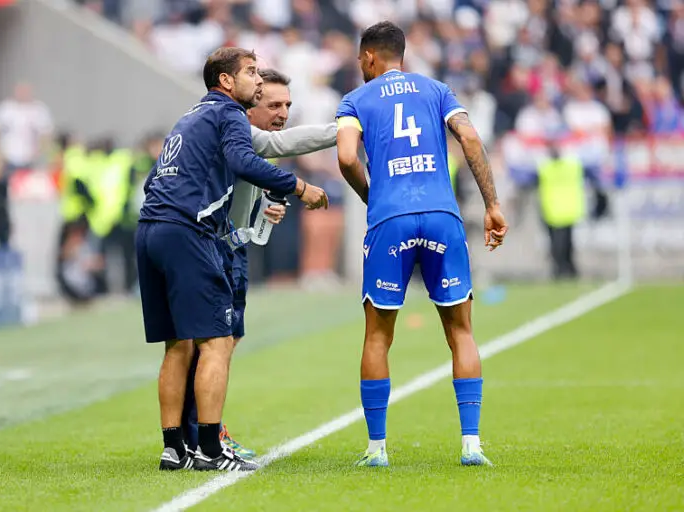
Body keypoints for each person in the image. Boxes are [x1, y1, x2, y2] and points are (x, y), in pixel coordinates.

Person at [136, 47, 328, 473]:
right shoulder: (229, 115)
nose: (258, 81)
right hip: (189, 234)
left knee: (177, 346)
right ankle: (208, 448)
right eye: (252, 73)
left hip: (151, 229)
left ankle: (174, 448)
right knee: (217, 343)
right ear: (226, 81)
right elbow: (246, 159)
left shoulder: (189, 118)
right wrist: (300, 187)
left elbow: (156, 179)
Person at [335, 21, 508, 468]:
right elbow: (469, 137)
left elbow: (347, 156)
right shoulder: (437, 89)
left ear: (370, 56)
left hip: (390, 219)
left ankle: (377, 450)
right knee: (461, 331)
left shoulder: (355, 100)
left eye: (361, 60)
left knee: (377, 335)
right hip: (441, 217)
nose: (361, 67)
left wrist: (373, 196)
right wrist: (491, 203)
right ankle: (471, 445)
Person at [180, 68, 338, 460]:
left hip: (232, 250)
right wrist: (342, 130)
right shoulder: (237, 129)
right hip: (209, 249)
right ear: (250, 106)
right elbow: (280, 142)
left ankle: (199, 435)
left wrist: (261, 213)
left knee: (222, 342)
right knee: (208, 344)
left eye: (287, 104)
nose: (283, 112)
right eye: (273, 104)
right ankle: (203, 438)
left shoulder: (242, 143)